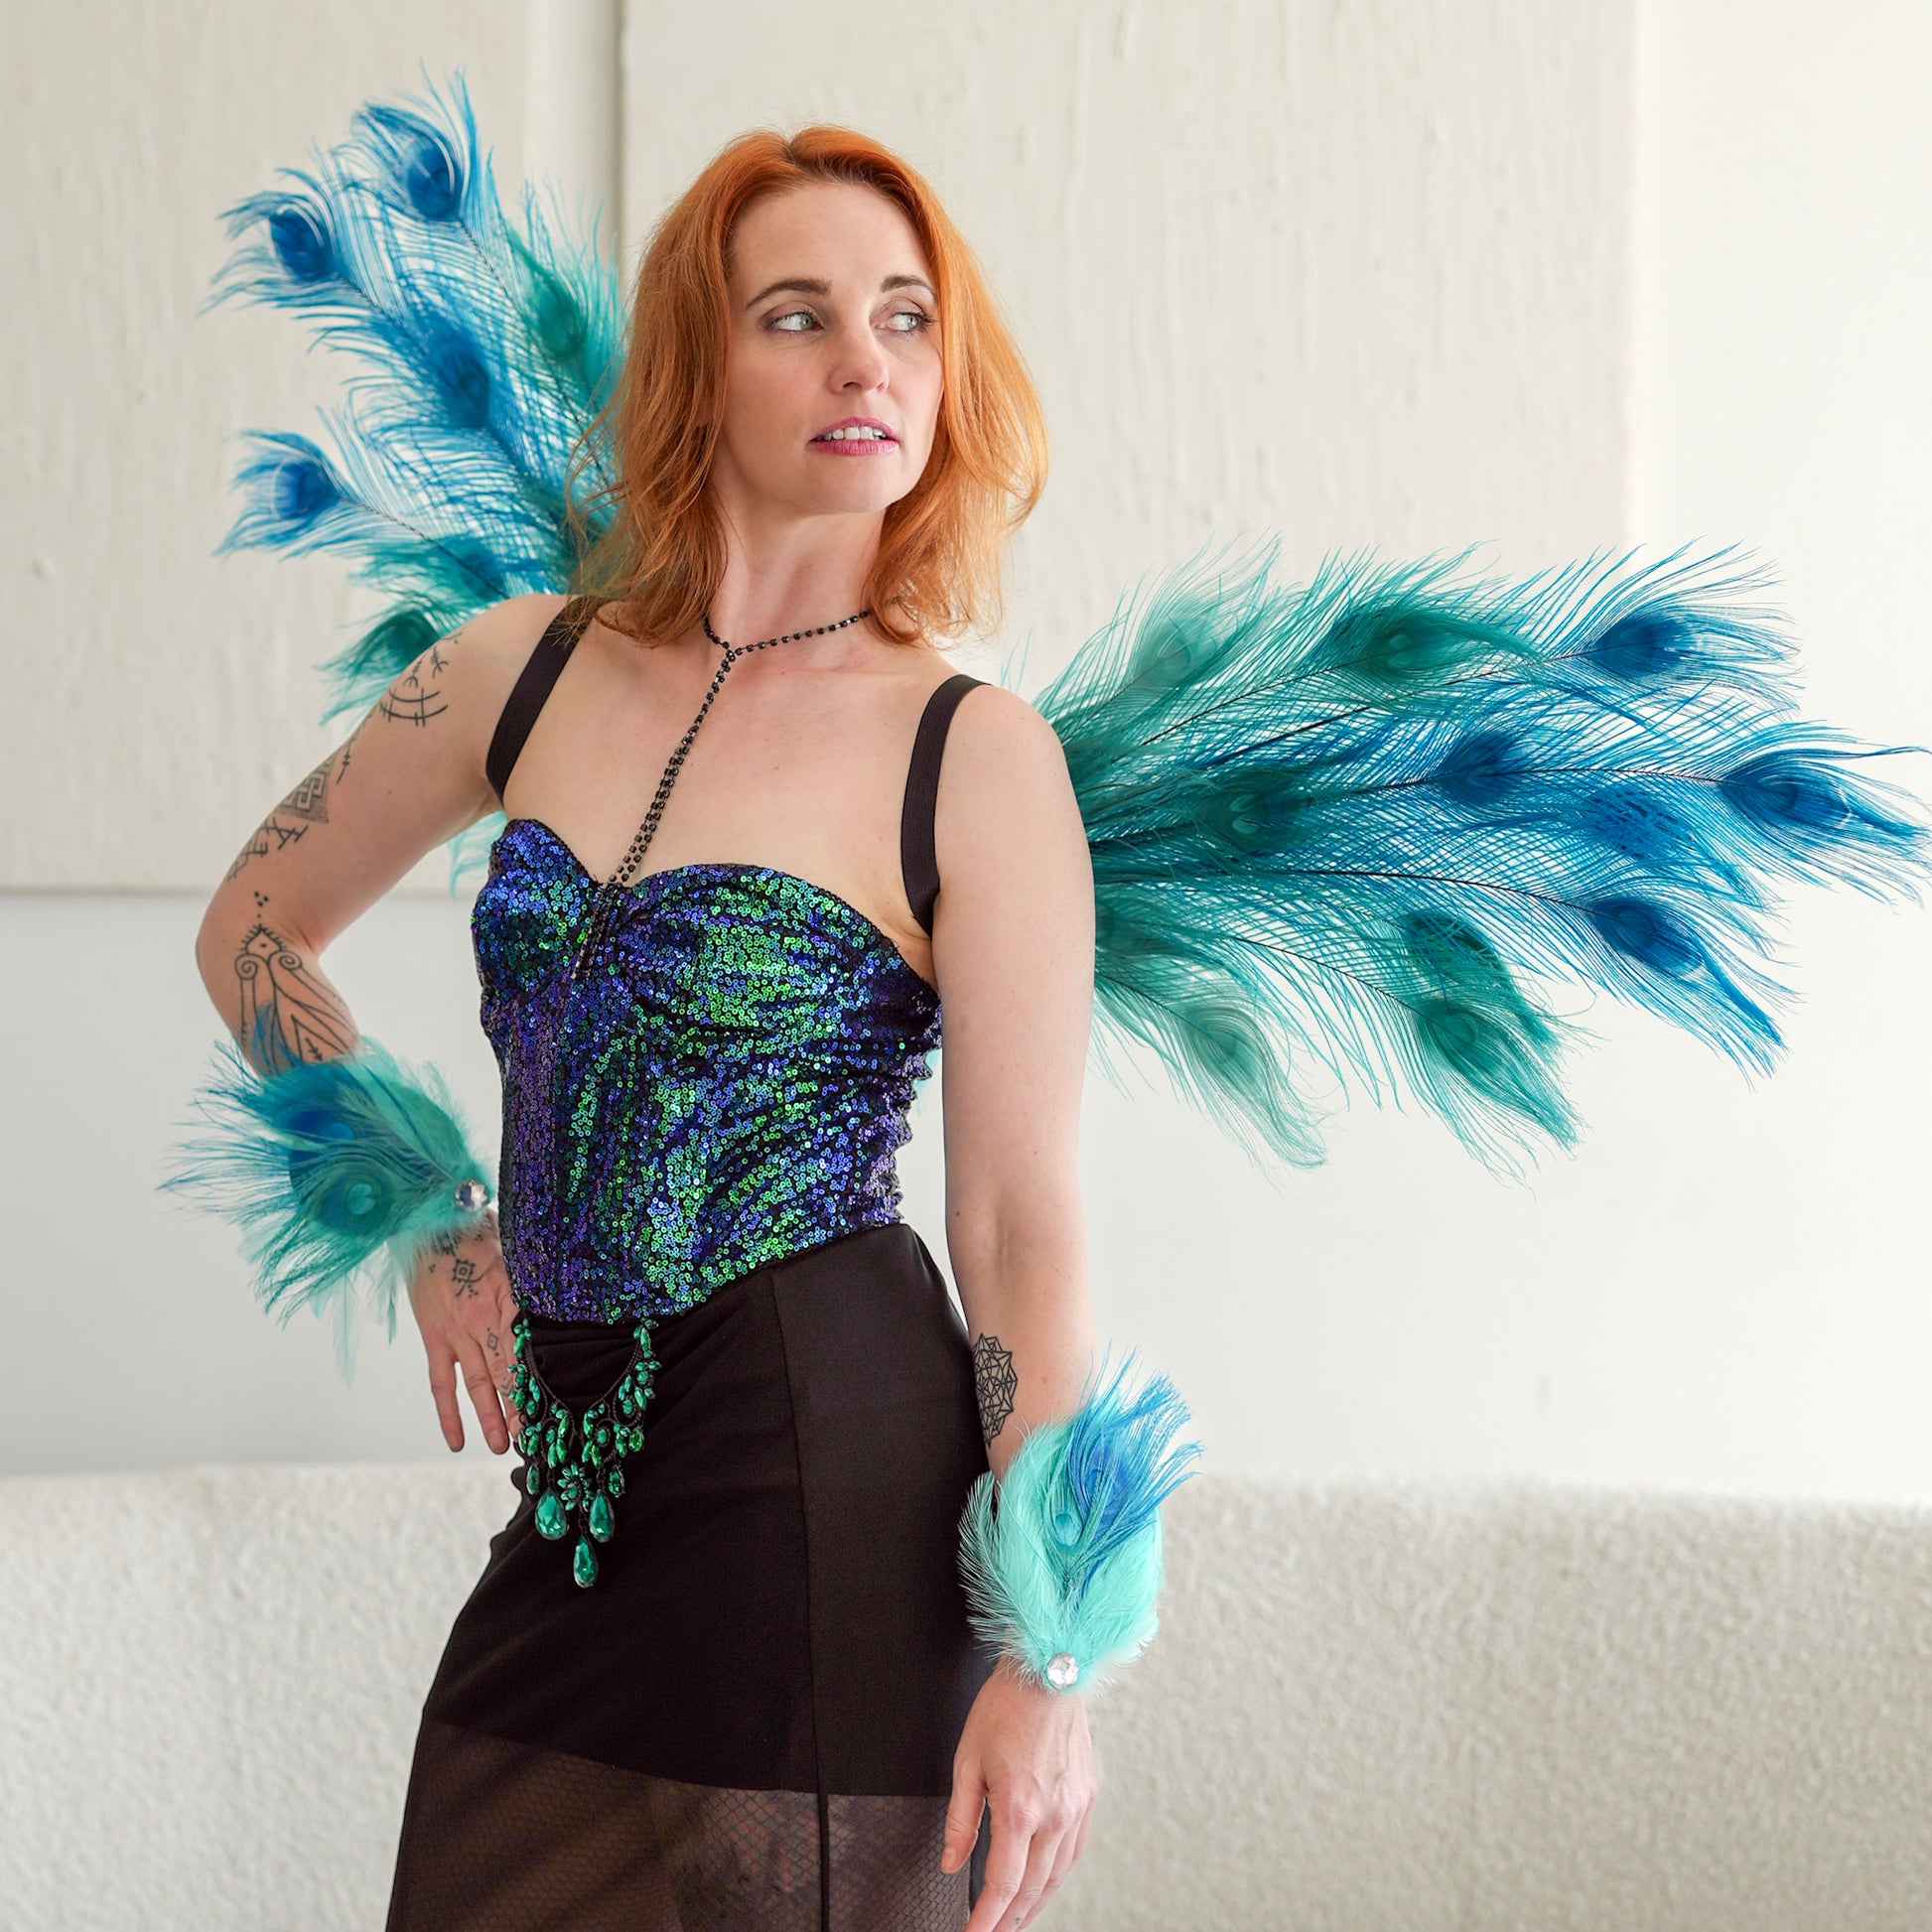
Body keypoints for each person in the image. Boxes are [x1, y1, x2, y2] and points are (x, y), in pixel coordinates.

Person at [186, 125, 1143, 1932]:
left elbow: (1019, 1226)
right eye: (798, 315)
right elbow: (252, 922)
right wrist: (420, 1205)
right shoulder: (516, 667)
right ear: (698, 368)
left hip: (831, 1471)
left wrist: (1053, 1649)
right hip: (578, 1502)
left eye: (906, 317)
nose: (864, 361)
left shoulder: (973, 752)